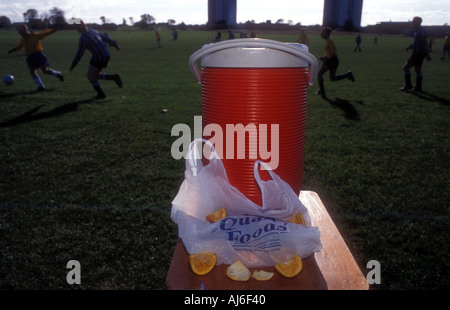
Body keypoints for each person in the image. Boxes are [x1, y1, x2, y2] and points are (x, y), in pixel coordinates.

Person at [69, 20, 122, 99]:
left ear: (78, 28)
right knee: (95, 75)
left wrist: (73, 65)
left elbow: (80, 53)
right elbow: (106, 38)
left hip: (98, 57)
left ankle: (101, 94)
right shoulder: (93, 31)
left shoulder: (83, 38)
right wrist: (115, 45)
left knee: (90, 76)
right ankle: (114, 77)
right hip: (106, 55)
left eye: (76, 27)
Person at [8, 24, 64, 91]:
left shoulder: (34, 36)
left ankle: (58, 74)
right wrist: (12, 50)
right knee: (32, 72)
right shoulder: (22, 39)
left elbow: (44, 34)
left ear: (24, 30)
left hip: (39, 55)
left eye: (19, 31)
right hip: (30, 57)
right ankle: (41, 86)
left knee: (45, 71)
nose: (19, 33)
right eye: (18, 31)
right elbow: (20, 47)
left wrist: (54, 30)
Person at [316, 27, 355, 99]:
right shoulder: (328, 40)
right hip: (333, 60)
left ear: (326, 33)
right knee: (333, 78)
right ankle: (348, 75)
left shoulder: (329, 41)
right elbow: (331, 51)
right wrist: (325, 56)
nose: (321, 34)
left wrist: (325, 57)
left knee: (319, 74)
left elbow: (333, 50)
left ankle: (322, 91)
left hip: (331, 60)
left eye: (322, 32)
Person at [401, 17, 431, 92]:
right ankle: (418, 88)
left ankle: (408, 86)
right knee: (418, 70)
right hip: (418, 53)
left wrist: (427, 54)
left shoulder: (420, 31)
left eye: (413, 21)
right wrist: (410, 46)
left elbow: (424, 43)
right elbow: (416, 43)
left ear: (418, 23)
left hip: (418, 53)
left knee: (405, 67)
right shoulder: (417, 31)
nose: (412, 23)